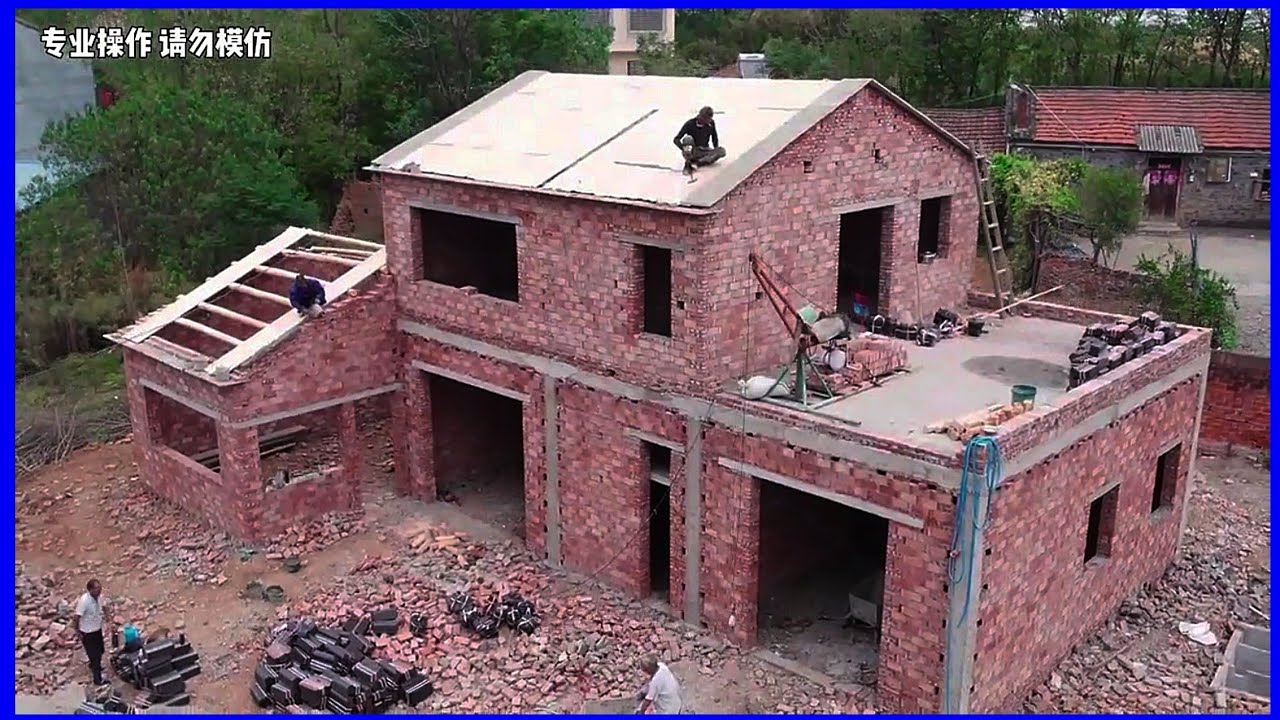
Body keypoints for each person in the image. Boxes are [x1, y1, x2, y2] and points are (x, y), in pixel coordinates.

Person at [673, 106, 726, 180]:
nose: (707, 121)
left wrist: (715, 149)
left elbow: (714, 137)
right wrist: (684, 149)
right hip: (693, 150)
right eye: (705, 118)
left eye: (708, 119)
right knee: (688, 139)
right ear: (700, 116)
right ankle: (688, 163)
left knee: (721, 151)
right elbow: (676, 139)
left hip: (704, 150)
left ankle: (698, 163)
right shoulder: (690, 124)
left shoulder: (711, 123)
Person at [74, 579, 111, 687]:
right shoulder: (84, 601)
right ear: (90, 590)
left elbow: (104, 607)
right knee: (94, 656)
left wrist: (108, 620)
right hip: (87, 632)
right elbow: (76, 617)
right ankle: (98, 679)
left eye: (100, 588)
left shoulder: (100, 597)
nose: (99, 590)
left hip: (97, 629)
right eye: (96, 589)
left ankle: (94, 665)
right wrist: (78, 632)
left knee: (100, 650)